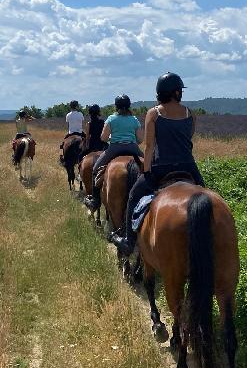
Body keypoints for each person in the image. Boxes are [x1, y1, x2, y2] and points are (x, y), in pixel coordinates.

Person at [111, 73, 205, 255]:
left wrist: (147, 172)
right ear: (177, 92)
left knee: (133, 196)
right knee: (204, 196)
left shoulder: (154, 113)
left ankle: (129, 241)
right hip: (188, 166)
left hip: (161, 167)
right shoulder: (191, 114)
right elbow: (188, 138)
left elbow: (149, 147)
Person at [83, 95, 143, 210]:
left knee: (95, 169)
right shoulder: (134, 119)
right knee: (148, 168)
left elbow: (104, 138)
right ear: (129, 106)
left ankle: (95, 200)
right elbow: (140, 140)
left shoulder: (111, 118)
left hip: (114, 148)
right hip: (133, 148)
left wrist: (112, 138)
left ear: (116, 106)